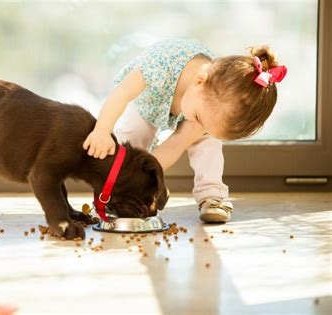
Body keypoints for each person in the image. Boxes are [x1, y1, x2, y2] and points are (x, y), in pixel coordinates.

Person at [83, 38, 287, 223]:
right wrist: (102, 129)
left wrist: (152, 181)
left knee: (207, 144)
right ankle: (114, 195)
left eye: (208, 126)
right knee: (132, 136)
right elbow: (121, 93)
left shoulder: (209, 104)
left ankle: (212, 195)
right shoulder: (159, 67)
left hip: (196, 104)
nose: (199, 127)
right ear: (199, 81)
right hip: (148, 101)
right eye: (199, 119)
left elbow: (176, 144)